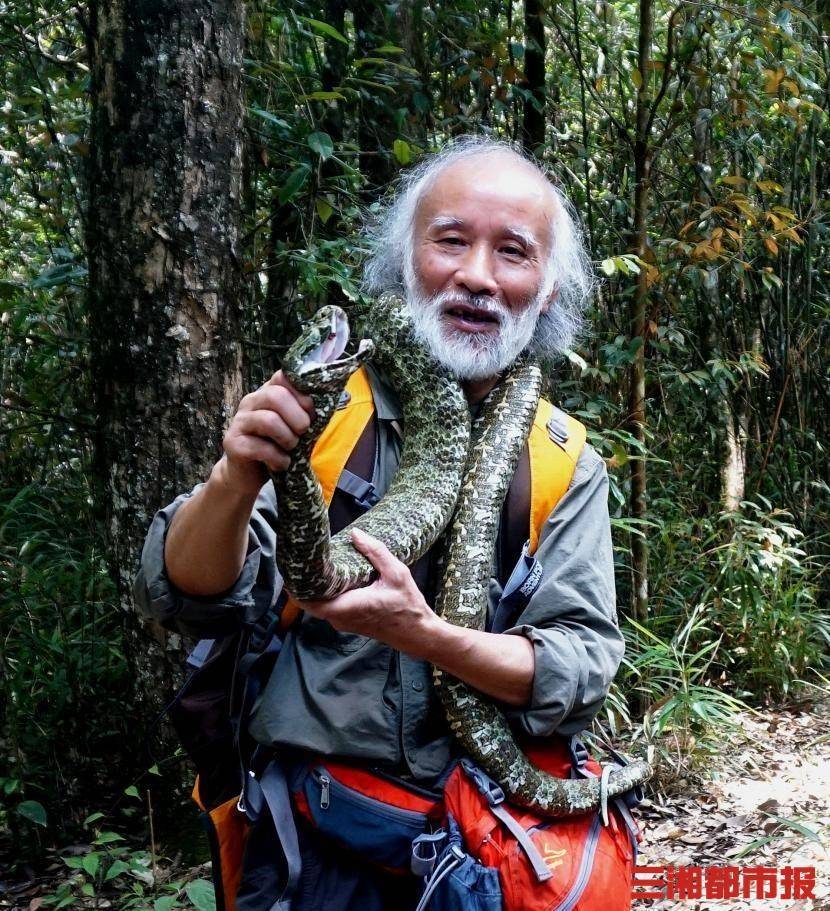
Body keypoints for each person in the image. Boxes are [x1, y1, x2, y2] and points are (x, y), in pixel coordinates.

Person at [134, 136, 625, 910]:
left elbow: (581, 666)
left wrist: (425, 634)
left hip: (490, 843)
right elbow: (187, 592)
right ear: (406, 264)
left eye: (513, 252)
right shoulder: (324, 415)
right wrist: (236, 475)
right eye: (451, 241)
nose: (476, 275)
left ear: (549, 291)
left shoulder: (564, 461)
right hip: (315, 843)